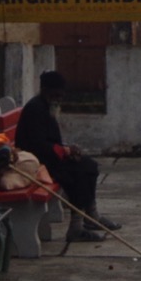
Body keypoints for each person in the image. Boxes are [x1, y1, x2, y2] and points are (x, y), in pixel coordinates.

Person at [16, 70, 122, 242]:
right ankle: (76, 227)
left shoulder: (47, 107)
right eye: (55, 94)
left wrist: (68, 150)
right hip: (37, 163)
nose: (58, 98)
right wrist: (64, 151)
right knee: (76, 172)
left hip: (49, 158)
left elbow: (51, 141)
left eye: (61, 95)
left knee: (89, 166)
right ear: (45, 90)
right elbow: (37, 145)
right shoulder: (35, 109)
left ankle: (92, 214)